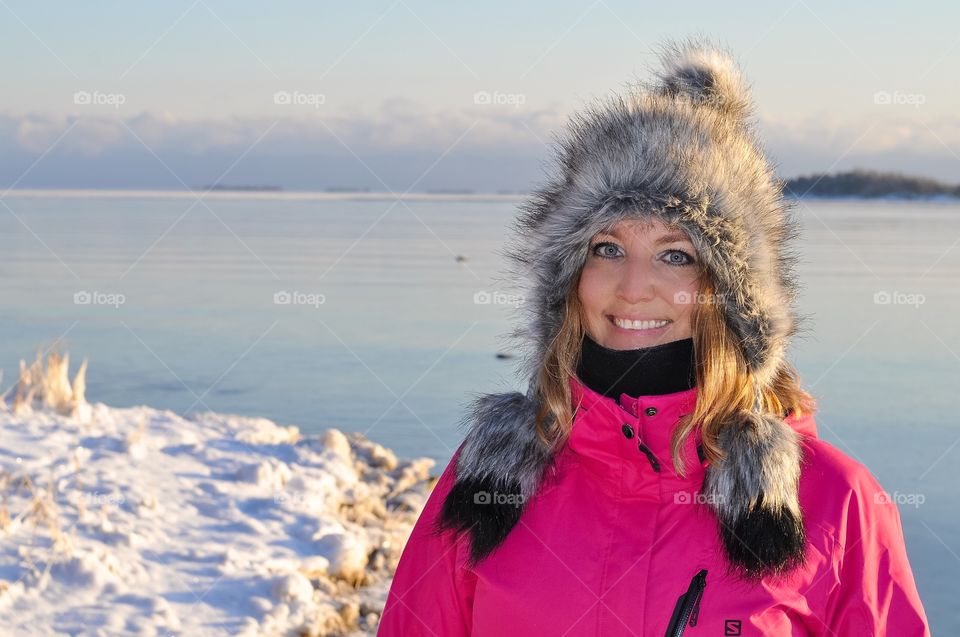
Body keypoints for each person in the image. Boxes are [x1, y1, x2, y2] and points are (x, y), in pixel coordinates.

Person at [376, 37, 931, 636]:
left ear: (732, 294)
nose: (633, 287)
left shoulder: (830, 500)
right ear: (568, 279)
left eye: (675, 254)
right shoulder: (496, 478)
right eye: (606, 248)